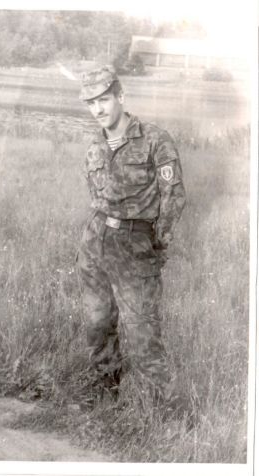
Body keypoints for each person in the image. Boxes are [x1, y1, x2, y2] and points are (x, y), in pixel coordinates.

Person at [77, 65, 186, 407]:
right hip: (95, 240)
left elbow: (174, 196)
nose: (98, 109)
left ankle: (167, 414)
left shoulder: (155, 139)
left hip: (135, 242)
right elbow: (95, 192)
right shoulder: (94, 143)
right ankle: (104, 398)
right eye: (91, 102)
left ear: (121, 97)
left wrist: (158, 242)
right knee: (97, 323)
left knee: (143, 334)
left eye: (104, 100)